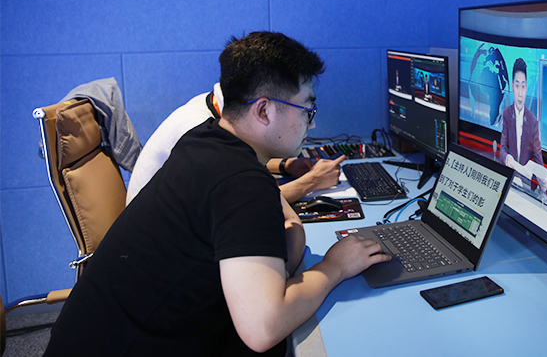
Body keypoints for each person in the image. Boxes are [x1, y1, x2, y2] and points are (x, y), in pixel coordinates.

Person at [44, 32, 391, 356]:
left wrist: (293, 234)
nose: (311, 125)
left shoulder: (205, 139)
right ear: (264, 110)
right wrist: (335, 267)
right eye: (307, 111)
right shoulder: (240, 182)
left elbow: (285, 238)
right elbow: (263, 328)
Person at [126, 82, 343, 205]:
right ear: (262, 110)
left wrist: (285, 165)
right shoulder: (201, 136)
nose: (310, 125)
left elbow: (235, 159)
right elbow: (246, 203)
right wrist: (311, 181)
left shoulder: (212, 106)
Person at [499, 58, 547, 194]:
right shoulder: (507, 114)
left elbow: (537, 156)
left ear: (526, 88)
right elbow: (503, 148)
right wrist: (507, 158)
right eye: (517, 86)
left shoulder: (532, 121)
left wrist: (542, 178)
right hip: (507, 180)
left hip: (525, 188)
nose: (520, 93)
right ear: (512, 87)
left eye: (523, 86)